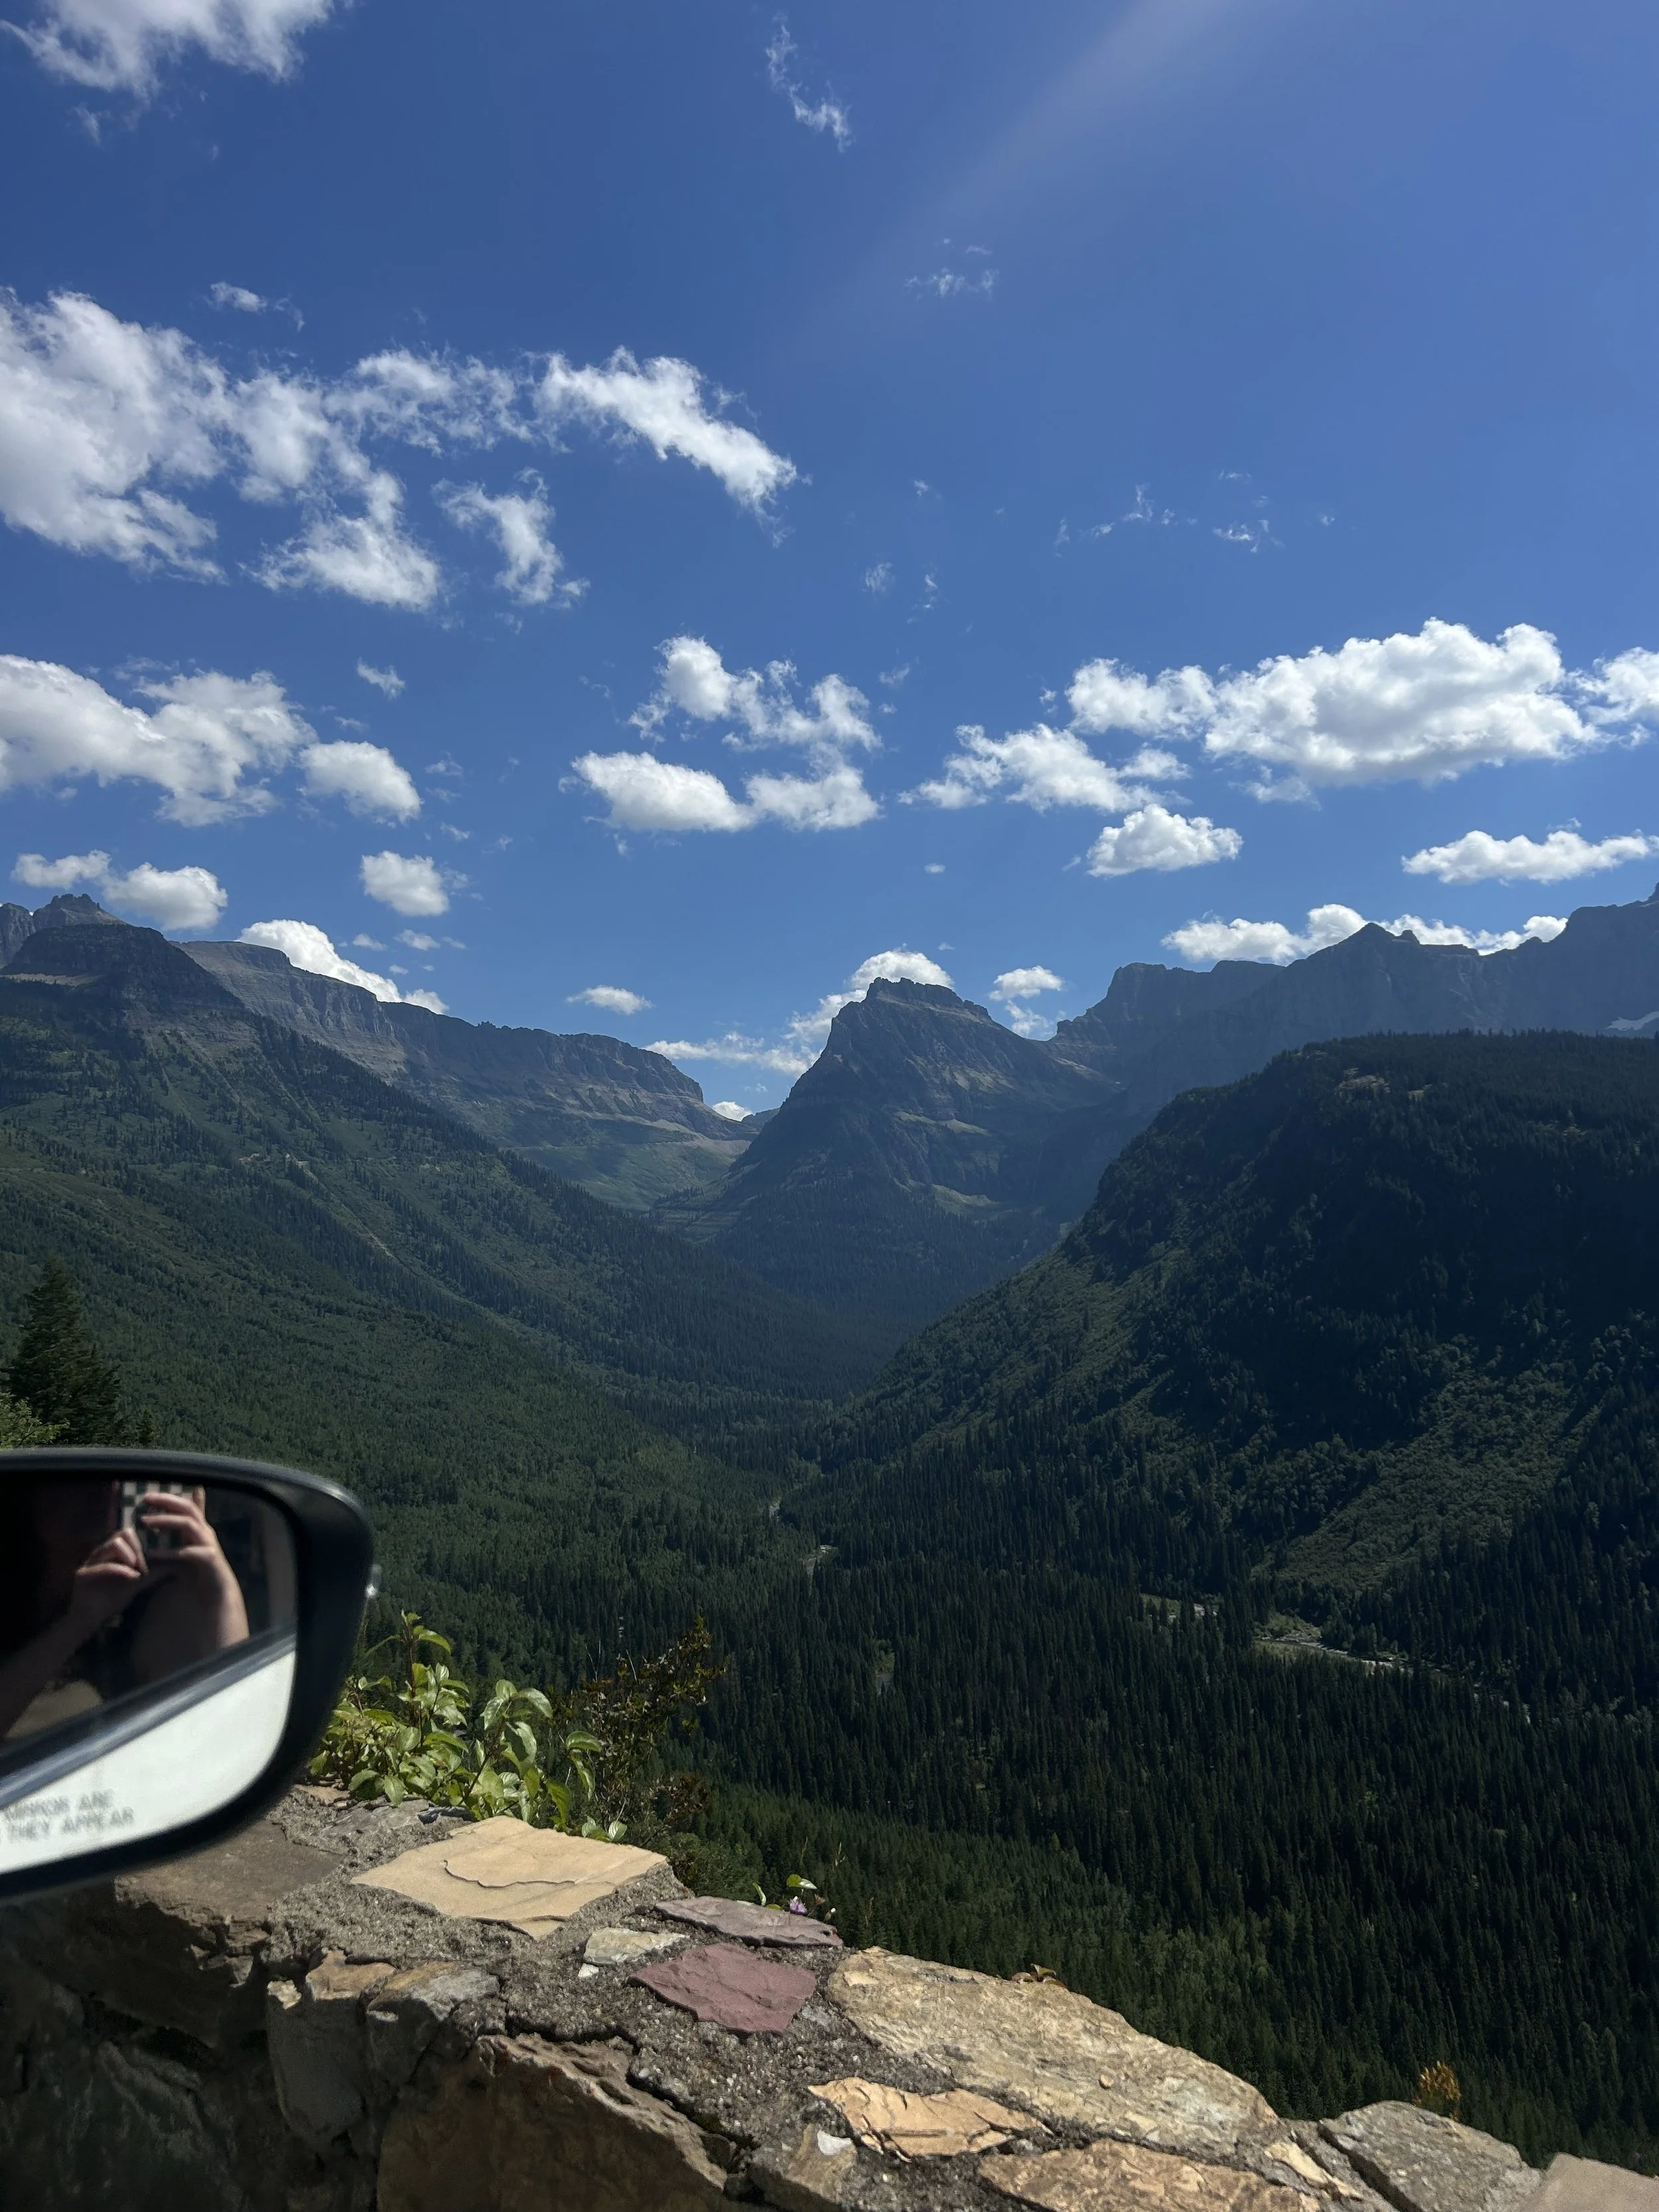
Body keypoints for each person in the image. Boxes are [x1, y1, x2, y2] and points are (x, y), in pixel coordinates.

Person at [0, 1483, 250, 1741]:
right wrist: (78, 1622)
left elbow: (228, 1733)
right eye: (74, 1479)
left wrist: (222, 1592)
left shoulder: (155, 1611)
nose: (107, 1495)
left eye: (121, 1486)